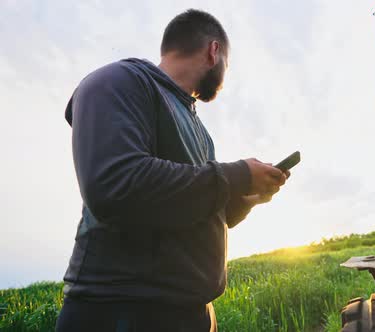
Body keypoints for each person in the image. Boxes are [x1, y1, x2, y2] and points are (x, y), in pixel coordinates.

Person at [56, 9, 288, 332]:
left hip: (191, 314)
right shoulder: (118, 81)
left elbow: (193, 209)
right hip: (122, 312)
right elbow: (115, 186)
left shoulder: (199, 132)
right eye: (227, 65)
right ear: (214, 51)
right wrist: (236, 175)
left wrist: (246, 198)